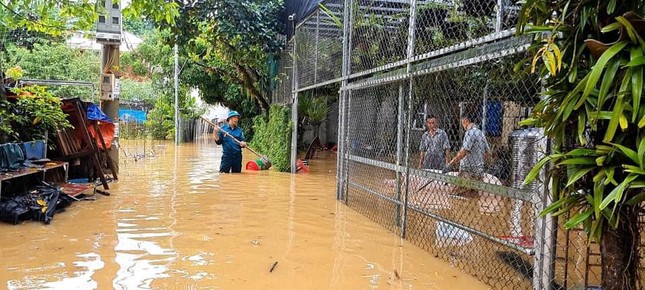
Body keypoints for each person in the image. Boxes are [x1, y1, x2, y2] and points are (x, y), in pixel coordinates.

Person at [443, 115, 490, 197]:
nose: (463, 126)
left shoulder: (469, 132)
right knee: (473, 197)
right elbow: (488, 152)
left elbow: (464, 151)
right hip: (479, 171)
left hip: (467, 170)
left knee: (455, 195)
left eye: (462, 124)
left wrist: (450, 164)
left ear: (466, 121)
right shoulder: (481, 133)